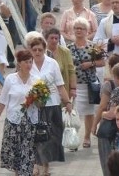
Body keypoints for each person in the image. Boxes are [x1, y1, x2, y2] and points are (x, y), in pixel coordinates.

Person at [28, 35, 71, 175]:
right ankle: (35, 164)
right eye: (34, 49)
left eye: (40, 49)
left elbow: (60, 85)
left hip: (52, 104)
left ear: (45, 49)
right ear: (30, 50)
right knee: (35, 136)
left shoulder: (52, 63)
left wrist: (68, 102)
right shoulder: (27, 64)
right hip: (33, 105)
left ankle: (46, 165)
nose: (37, 52)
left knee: (49, 137)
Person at [0, 49, 38, 176]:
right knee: (15, 153)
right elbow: (2, 101)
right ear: (19, 64)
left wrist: (38, 99)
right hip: (13, 122)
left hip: (30, 121)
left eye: (30, 62)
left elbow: (42, 103)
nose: (29, 65)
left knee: (28, 152)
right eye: (26, 62)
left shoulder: (37, 80)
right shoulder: (10, 79)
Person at [69, 17, 107, 148]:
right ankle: (72, 139)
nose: (79, 30)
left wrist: (90, 63)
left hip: (89, 84)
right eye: (76, 28)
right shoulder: (69, 48)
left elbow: (103, 61)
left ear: (87, 31)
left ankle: (86, 137)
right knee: (73, 113)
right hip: (74, 85)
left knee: (89, 112)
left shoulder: (93, 47)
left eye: (81, 28)